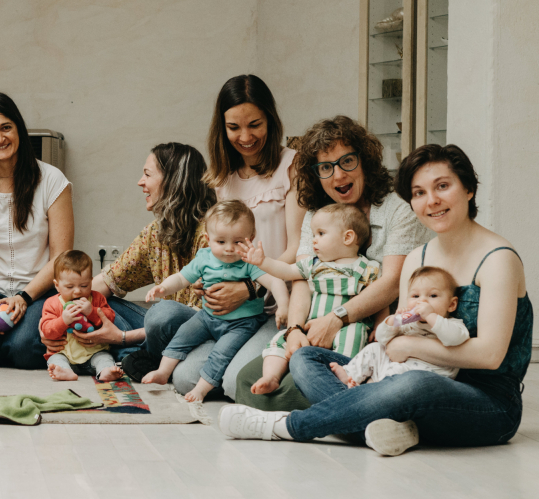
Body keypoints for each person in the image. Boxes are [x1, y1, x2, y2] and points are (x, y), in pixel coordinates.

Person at [221, 144, 532, 456]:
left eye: (443, 186)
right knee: (306, 358)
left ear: (467, 189)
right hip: (403, 376)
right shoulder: (418, 257)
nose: (432, 201)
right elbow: (399, 329)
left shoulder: (498, 259)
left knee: (414, 386)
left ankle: (286, 427)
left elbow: (490, 355)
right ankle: (386, 426)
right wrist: (390, 336)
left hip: (485, 402)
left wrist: (407, 346)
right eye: (419, 192)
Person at [232, 115, 431, 410]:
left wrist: (336, 319)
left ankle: (355, 408)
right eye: (326, 167)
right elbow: (302, 276)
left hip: (365, 332)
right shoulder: (316, 214)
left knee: (287, 393)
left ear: (364, 161)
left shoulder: (396, 211)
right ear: (316, 175)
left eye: (347, 161)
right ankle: (353, 406)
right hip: (315, 322)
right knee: (244, 382)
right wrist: (296, 329)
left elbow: (391, 284)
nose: (338, 176)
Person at [128, 76, 302, 396]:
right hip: (222, 312)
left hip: (272, 304)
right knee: (182, 377)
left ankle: (274, 368)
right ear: (222, 128)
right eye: (234, 127)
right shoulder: (222, 178)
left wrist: (248, 286)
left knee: (236, 383)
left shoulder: (291, 166)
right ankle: (175, 360)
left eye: (255, 124)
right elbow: (220, 242)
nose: (245, 136)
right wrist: (208, 280)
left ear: (271, 121)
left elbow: (298, 249)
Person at [38, 143, 214, 367]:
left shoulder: (211, 233)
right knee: (98, 302)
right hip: (161, 328)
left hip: (197, 327)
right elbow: (108, 280)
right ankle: (120, 355)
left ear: (173, 180)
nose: (140, 182)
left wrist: (120, 337)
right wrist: (54, 316)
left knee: (162, 314)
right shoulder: (155, 232)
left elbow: (202, 317)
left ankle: (127, 353)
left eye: (147, 175)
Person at [0, 93, 73, 370]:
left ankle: (23, 338)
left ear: (18, 129)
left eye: (6, 127)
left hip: (37, 292)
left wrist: (23, 298)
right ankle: (0, 335)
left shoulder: (52, 180)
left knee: (23, 349)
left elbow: (61, 256)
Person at [141, 201, 288, 402]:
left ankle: (201, 389)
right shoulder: (205, 257)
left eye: (237, 242)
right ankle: (163, 372)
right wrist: (164, 287)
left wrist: (284, 307)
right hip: (207, 316)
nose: (229, 249)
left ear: (250, 238)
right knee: (183, 335)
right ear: (208, 239)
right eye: (221, 242)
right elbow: (182, 278)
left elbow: (275, 281)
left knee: (221, 354)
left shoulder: (250, 262)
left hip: (241, 324)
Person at [239, 203, 380, 395]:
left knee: (354, 334)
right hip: (309, 327)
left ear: (348, 237)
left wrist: (380, 324)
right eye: (313, 234)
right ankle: (271, 376)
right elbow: (287, 271)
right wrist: (263, 262)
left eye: (321, 234)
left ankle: (345, 374)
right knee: (280, 339)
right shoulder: (313, 265)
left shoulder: (367, 268)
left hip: (347, 326)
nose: (314, 241)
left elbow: (379, 299)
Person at [332, 265, 469, 387]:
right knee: (375, 348)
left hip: (427, 376)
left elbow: (453, 339)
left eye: (433, 295)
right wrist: (393, 322)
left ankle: (369, 391)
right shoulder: (410, 324)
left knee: (398, 372)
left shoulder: (453, 325)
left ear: (451, 305)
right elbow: (381, 338)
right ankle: (350, 375)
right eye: (415, 296)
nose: (421, 301)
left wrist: (431, 316)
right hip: (394, 367)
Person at [39, 250, 124, 382]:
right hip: (64, 353)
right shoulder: (52, 303)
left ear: (91, 281)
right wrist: (63, 320)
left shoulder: (97, 298)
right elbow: (47, 330)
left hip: (94, 352)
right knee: (54, 359)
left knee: (104, 357)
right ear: (57, 285)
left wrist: (92, 311)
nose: (78, 291)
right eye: (69, 286)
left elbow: (110, 318)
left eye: (84, 285)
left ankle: (105, 371)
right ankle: (65, 371)